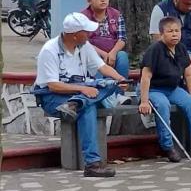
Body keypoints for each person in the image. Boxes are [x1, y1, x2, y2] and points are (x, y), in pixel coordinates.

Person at [32, 13, 128, 177]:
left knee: (111, 85)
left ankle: (76, 103)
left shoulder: (85, 46)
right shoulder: (49, 50)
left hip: (79, 93)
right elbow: (53, 85)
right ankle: (92, 164)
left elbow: (102, 67)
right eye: (86, 31)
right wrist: (83, 90)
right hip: (52, 96)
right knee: (88, 107)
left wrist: (119, 78)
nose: (90, 34)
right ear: (75, 35)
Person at [139, 17, 191, 162]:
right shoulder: (155, 49)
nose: (174, 34)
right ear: (161, 34)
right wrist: (144, 101)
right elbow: (146, 77)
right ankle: (168, 146)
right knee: (163, 105)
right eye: (170, 31)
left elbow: (189, 74)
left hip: (173, 88)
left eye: (177, 31)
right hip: (154, 89)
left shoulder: (181, 48)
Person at [81, 0, 129, 79]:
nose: (103, 0)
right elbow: (83, 42)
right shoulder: (83, 17)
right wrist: (103, 53)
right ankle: (98, 89)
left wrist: (113, 53)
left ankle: (120, 89)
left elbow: (122, 38)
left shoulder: (116, 14)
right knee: (94, 58)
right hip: (92, 52)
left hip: (112, 52)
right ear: (89, 0)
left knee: (122, 56)